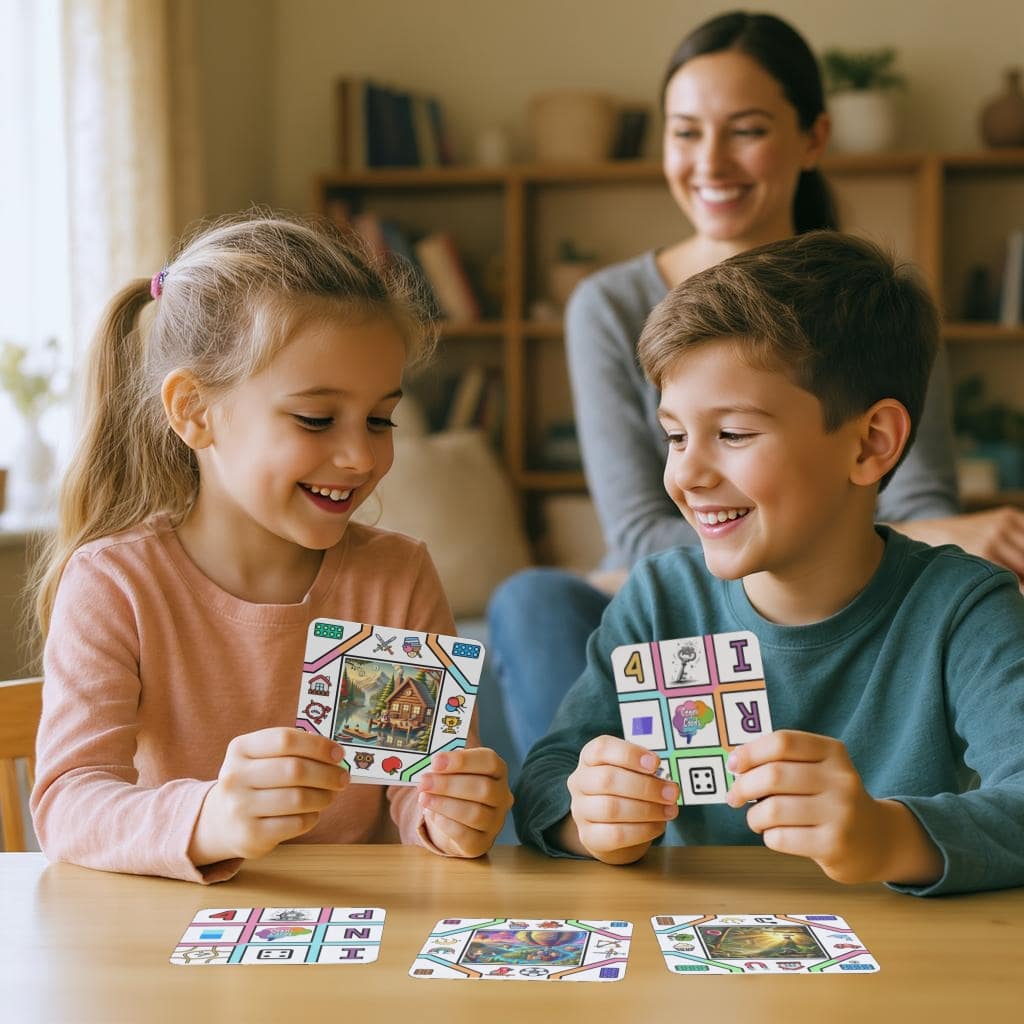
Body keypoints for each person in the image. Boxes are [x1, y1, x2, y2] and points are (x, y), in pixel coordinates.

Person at [488, 10, 1024, 771]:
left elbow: (915, 499)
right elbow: (641, 537)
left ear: (813, 138)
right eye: (684, 131)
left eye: (745, 129)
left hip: (832, 576)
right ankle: (596, 831)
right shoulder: (608, 304)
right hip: (672, 593)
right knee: (533, 601)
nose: (710, 160)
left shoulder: (874, 309)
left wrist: (950, 541)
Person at [514, 231, 1024, 896]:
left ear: (871, 443)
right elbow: (544, 782)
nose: (686, 473)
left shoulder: (964, 607)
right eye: (674, 436)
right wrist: (589, 819)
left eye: (732, 434)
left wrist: (885, 836)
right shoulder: (660, 600)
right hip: (694, 980)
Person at [29, 214, 512, 883]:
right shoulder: (115, 584)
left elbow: (418, 796)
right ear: (194, 411)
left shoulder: (393, 578)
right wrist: (213, 817)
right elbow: (69, 802)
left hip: (359, 940)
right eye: (316, 419)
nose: (360, 455)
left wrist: (450, 817)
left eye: (380, 419)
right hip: (168, 948)